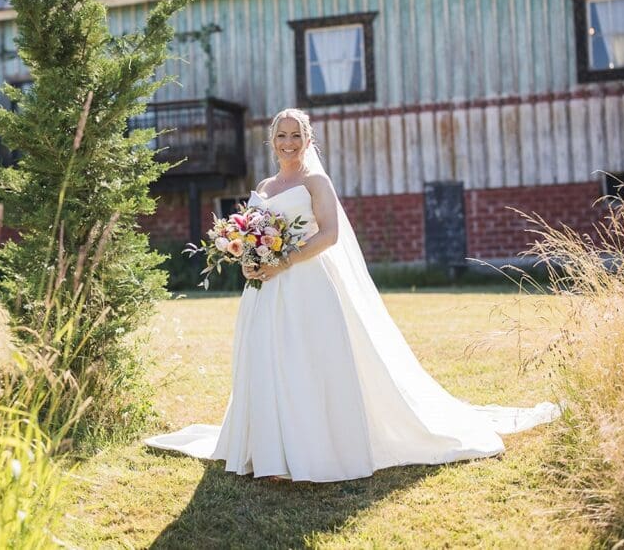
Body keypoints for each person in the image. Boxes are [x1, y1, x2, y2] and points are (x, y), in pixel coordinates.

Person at [143, 107, 560, 483]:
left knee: (308, 359)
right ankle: (269, 445)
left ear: (309, 140)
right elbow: (254, 234)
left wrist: (283, 262)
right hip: (265, 288)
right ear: (271, 141)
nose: (288, 143)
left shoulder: (315, 181)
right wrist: (250, 262)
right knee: (269, 357)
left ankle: (313, 445)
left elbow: (329, 234)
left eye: (296, 135)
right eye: (281, 136)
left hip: (306, 281)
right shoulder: (266, 184)